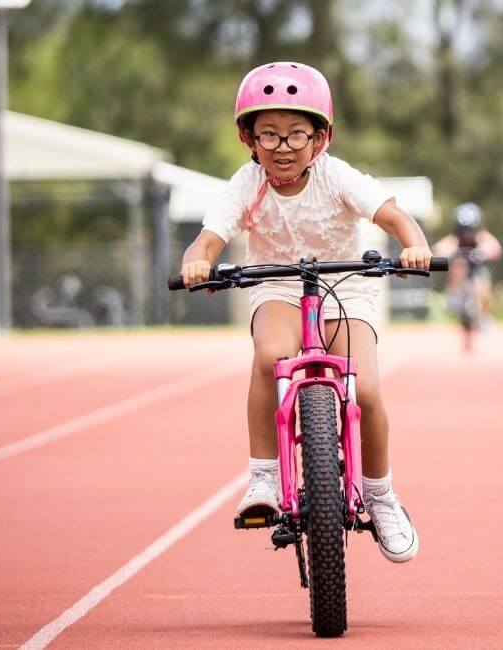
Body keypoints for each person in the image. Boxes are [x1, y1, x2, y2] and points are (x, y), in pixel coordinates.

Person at [179, 62, 430, 563]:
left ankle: (381, 496)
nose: (284, 146)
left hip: (345, 286)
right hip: (275, 286)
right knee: (270, 356)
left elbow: (392, 214)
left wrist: (415, 245)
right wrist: (197, 260)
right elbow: (210, 237)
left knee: (369, 388)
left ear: (322, 138)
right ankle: (264, 479)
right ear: (248, 139)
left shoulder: (336, 177)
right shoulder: (246, 183)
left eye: (297, 133)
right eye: (268, 134)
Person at [432, 202, 503, 351]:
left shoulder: (481, 236)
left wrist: (483, 252)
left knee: (482, 284)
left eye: (469, 230)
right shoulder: (455, 238)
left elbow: (495, 247)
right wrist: (449, 253)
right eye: (463, 231)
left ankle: (484, 316)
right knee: (457, 268)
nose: (466, 234)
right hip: (461, 273)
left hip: (477, 271)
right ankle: (454, 297)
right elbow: (439, 248)